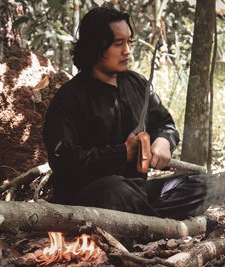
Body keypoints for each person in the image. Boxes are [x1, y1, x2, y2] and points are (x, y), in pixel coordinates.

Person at [43, 7, 215, 220]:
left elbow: (165, 123)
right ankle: (151, 225)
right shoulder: (69, 98)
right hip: (90, 197)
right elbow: (65, 162)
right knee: (115, 190)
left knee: (204, 185)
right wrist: (123, 152)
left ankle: (143, 223)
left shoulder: (138, 84)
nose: (127, 51)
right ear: (96, 46)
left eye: (129, 42)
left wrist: (164, 141)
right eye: (118, 44)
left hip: (137, 192)